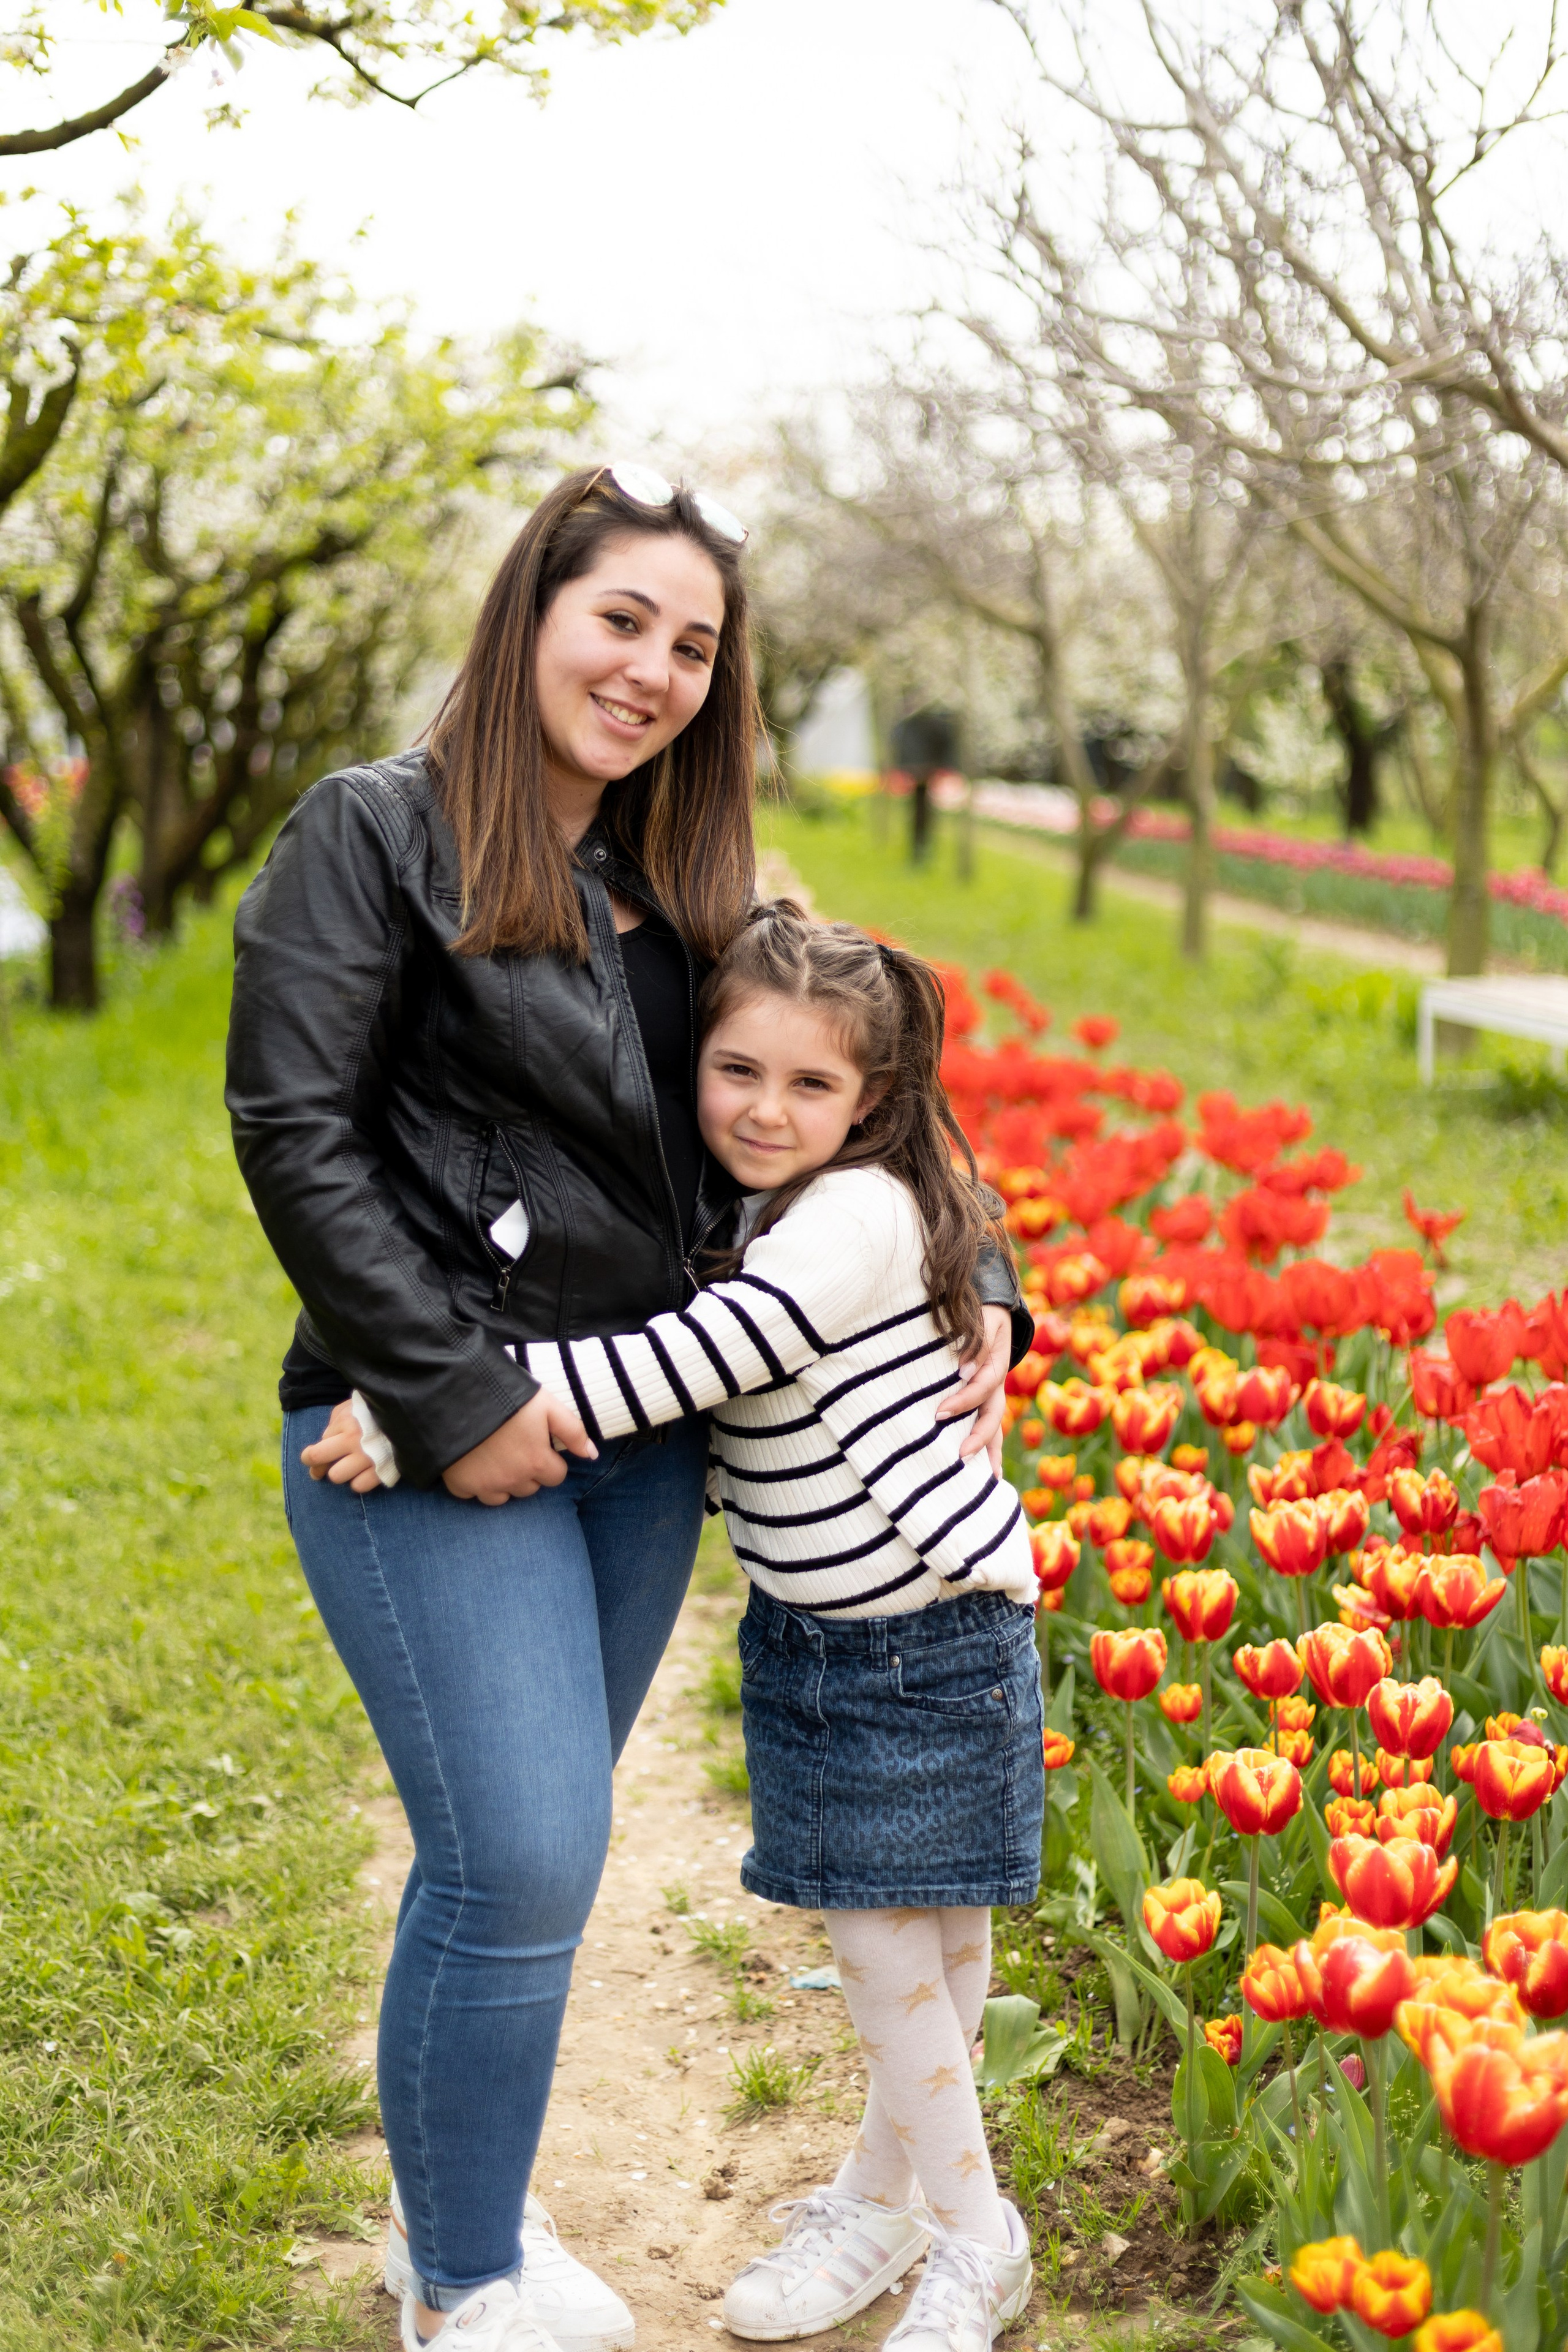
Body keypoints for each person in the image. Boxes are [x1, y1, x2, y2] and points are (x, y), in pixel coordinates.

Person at [224, 464, 1025, 2352]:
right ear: (531, 619)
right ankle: (465, 2275)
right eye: (622, 621)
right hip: (435, 1432)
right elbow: (296, 1134)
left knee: (540, 1845)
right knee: (513, 1848)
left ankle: (471, 2218)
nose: (653, 669)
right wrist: (443, 1395)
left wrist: (978, 1276)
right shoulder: (373, 837)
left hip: (637, 1452)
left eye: (694, 645)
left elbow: (875, 1086)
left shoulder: (699, 885)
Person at [318, 902, 1044, 2352]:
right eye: (736, 1072)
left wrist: (430, 1393)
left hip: (908, 1644)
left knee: (891, 1951)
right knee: (931, 1946)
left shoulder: (848, 1220)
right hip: (862, 1636)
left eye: (810, 1085)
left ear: (875, 1102)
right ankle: (882, 2196)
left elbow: (688, 1360)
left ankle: (975, 2236)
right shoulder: (781, 1205)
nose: (765, 1110)